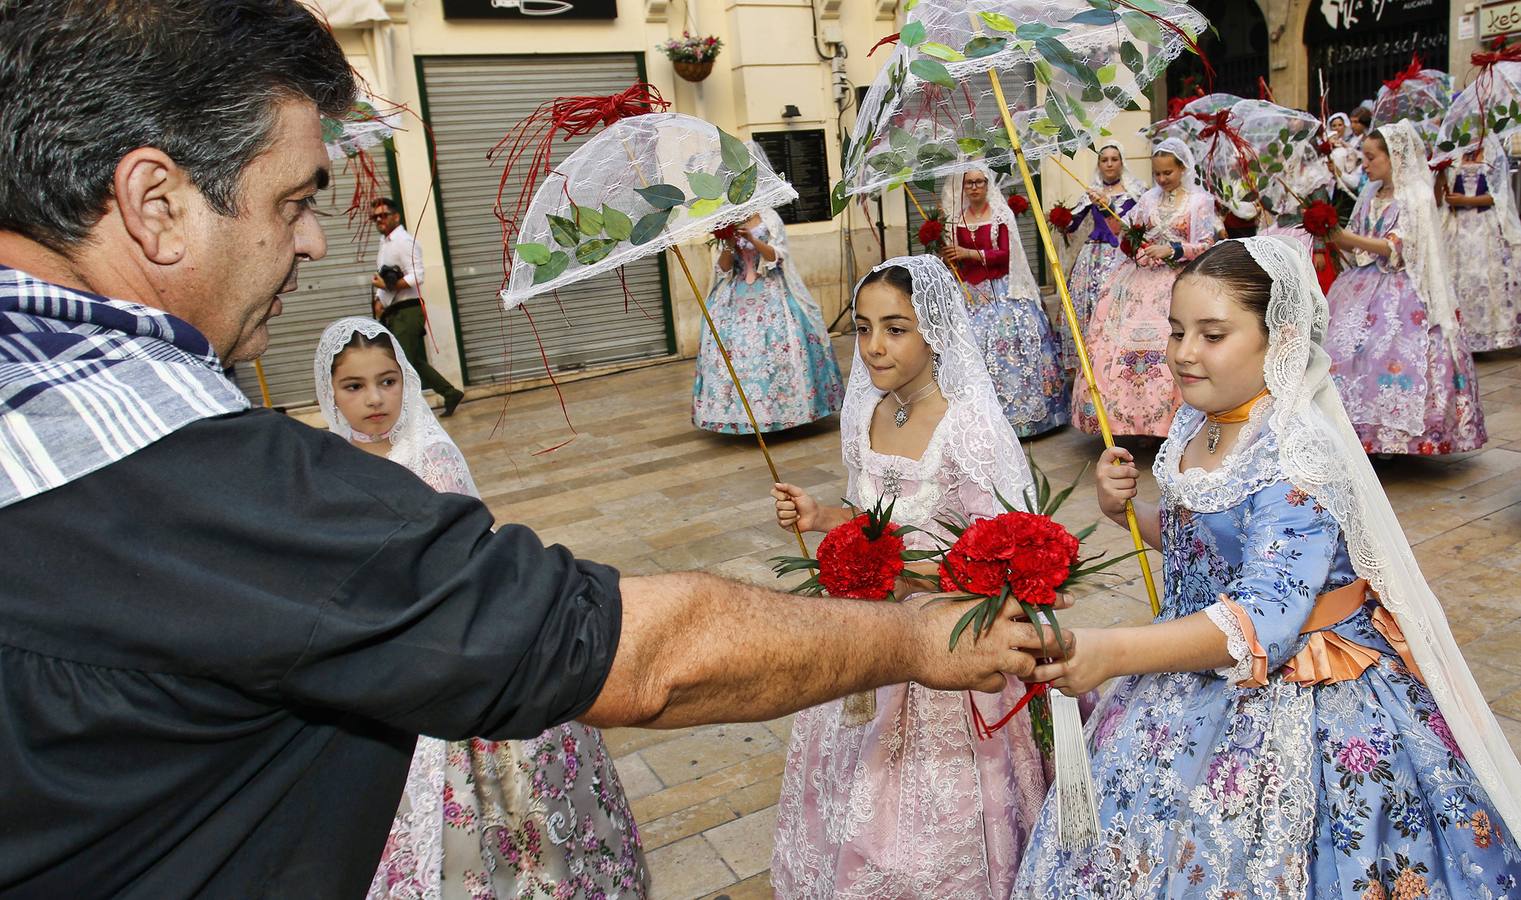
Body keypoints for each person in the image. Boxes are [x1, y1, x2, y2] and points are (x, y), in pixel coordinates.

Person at [0, 3, 1051, 895]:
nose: (314, 240)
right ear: (153, 204)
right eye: (292, 200)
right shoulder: (199, 485)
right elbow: (638, 657)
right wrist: (914, 641)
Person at [1013, 237, 1521, 898]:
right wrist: (1127, 516)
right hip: (1191, 663)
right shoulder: (1202, 420)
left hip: (1293, 687)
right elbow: (1211, 549)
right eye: (1175, 331)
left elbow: (1265, 614)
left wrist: (1111, 651)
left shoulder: (1294, 452)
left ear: (1276, 339)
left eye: (1212, 334)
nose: (1183, 352)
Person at [314, 317, 648, 899]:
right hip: (378, 657)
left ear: (406, 381)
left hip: (451, 648)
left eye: (387, 381)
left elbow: (471, 558)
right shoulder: (330, 463)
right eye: (354, 386)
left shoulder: (430, 457)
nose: (373, 399)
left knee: (507, 807)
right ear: (329, 390)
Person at [770, 256, 1051, 898]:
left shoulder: (969, 423)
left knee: (925, 823)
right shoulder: (867, 410)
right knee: (850, 780)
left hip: (948, 646)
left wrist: (910, 570)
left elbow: (1007, 553)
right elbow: (869, 516)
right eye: (864, 327)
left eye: (895, 328)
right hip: (868, 632)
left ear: (935, 331)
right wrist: (819, 517)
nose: (873, 346)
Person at [1324, 122, 1487, 455]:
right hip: (1362, 284)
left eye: (1371, 157)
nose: (1365, 165)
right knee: (1351, 354)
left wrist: (1344, 237)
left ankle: (1399, 437)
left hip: (1402, 289)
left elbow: (1401, 247)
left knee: (1391, 353)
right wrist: (1331, 235)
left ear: (1393, 157)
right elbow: (1358, 243)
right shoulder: (1370, 193)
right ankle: (1360, 434)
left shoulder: (1415, 196)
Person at [1073, 138, 1221, 437]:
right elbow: (1127, 237)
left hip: (1179, 282)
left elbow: (1207, 244)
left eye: (1168, 173)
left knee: (1172, 346)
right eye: (1158, 174)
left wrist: (1174, 250)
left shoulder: (1199, 201)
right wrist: (1136, 246)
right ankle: (1130, 424)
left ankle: (1169, 424)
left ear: (1182, 168)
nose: (1162, 179)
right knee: (1118, 346)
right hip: (1138, 281)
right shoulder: (1148, 199)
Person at [692, 190, 843, 434]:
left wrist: (753, 240)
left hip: (772, 291)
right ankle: (742, 417)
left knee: (779, 346)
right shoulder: (727, 219)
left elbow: (777, 257)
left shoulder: (769, 217)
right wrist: (729, 244)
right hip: (737, 294)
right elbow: (723, 267)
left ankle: (785, 412)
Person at [939, 165, 1069, 436]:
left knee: (1010, 339)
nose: (975, 187)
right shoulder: (956, 220)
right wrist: (950, 258)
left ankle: (1024, 416)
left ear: (988, 185)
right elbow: (956, 262)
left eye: (979, 182)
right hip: (972, 294)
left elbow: (1006, 255)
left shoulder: (1001, 216)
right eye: (969, 183)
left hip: (1002, 292)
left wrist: (968, 252)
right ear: (962, 188)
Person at [1056, 141, 1147, 377]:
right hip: (1092, 258)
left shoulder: (1134, 193)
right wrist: (1060, 218)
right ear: (1099, 164)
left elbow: (1128, 226)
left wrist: (1107, 207)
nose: (1109, 163)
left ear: (1121, 162)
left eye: (1113, 159)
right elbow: (1072, 224)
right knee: (1089, 306)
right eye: (1104, 159)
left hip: (1119, 257)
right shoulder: (1091, 193)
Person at [372, 197, 464, 417]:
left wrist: (386, 286)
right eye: (375, 217)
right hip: (395, 311)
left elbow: (417, 275)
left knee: (402, 364)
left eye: (383, 215)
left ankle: (408, 412)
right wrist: (380, 299)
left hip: (408, 309)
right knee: (410, 360)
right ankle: (449, 392)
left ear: (396, 216)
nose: (379, 220)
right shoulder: (386, 243)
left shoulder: (403, 241)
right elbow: (384, 276)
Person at [1441, 134, 1521, 352]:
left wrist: (1467, 200)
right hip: (1457, 227)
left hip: (1484, 225)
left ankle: (1491, 334)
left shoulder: (1493, 155)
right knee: (1459, 277)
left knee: (1485, 275)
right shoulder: (1455, 157)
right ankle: (1462, 334)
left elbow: (1499, 194)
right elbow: (1442, 192)